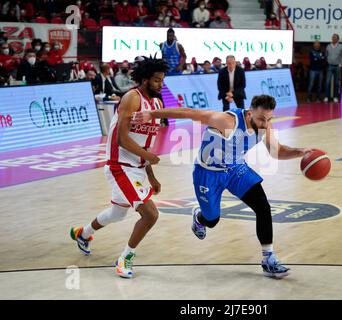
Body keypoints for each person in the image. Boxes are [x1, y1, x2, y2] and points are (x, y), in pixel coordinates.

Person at [131, 95, 312, 279]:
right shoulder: (226, 121)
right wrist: (152, 114)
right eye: (261, 119)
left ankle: (268, 258)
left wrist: (300, 152)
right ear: (249, 113)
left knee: (263, 207)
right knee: (212, 220)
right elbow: (189, 112)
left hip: (235, 169)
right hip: (208, 173)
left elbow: (277, 152)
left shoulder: (265, 125)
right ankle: (200, 218)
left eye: (268, 119)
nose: (265, 124)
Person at [70, 56, 168, 279]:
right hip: (119, 165)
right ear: (144, 79)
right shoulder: (131, 98)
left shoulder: (157, 103)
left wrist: (150, 172)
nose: (160, 85)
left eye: (162, 80)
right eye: (156, 80)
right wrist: (149, 157)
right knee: (150, 214)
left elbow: (146, 142)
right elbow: (122, 139)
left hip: (137, 167)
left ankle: (83, 234)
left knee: (117, 213)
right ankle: (125, 258)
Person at [324, 33, 342, 103]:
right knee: (327, 82)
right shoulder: (328, 46)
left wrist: (340, 64)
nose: (333, 38)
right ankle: (326, 96)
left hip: (337, 66)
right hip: (330, 66)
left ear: (338, 39)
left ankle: (335, 97)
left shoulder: (341, 46)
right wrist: (327, 61)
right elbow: (326, 55)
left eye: (335, 37)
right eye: (333, 37)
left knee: (336, 82)